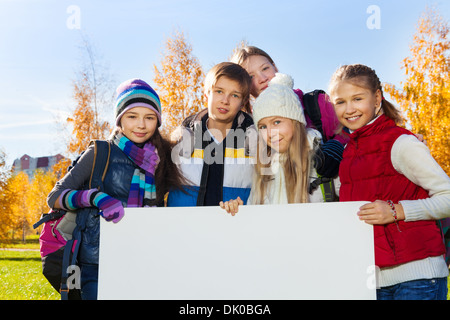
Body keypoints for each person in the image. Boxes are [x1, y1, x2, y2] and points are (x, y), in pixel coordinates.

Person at [47, 78, 186, 299]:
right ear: (120, 119)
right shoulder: (99, 152)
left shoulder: (161, 160)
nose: (141, 125)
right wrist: (95, 198)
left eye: (149, 117)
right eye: (132, 116)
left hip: (143, 261)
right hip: (96, 264)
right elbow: (54, 197)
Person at [328, 63, 450, 300]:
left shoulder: (401, 143)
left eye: (357, 98)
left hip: (418, 279)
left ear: (377, 99)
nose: (349, 109)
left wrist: (397, 211)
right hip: (371, 281)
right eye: (340, 102)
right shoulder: (347, 153)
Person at [230, 45, 346, 194]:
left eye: (265, 68)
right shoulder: (249, 127)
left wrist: (337, 145)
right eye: (251, 76)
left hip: (324, 201)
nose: (262, 79)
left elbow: (350, 130)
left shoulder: (315, 104)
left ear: (275, 67)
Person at [220, 73, 334, 214]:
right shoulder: (264, 168)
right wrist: (238, 209)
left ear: (296, 122)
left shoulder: (323, 161)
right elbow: (255, 215)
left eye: (277, 122)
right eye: (262, 127)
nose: (270, 133)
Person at [167, 62, 256, 207]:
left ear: (243, 102)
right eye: (219, 91)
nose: (225, 101)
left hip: (235, 225)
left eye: (234, 95)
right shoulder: (179, 139)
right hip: (184, 226)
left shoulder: (255, 141)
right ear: (206, 94)